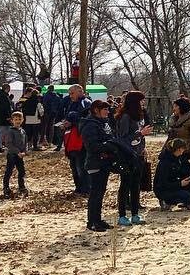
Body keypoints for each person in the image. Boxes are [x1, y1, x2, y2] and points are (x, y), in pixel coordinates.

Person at [80, 99, 148, 231]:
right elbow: (92, 146)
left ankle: (98, 219)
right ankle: (92, 222)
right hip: (95, 163)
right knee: (95, 193)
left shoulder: (104, 123)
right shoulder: (90, 125)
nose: (107, 112)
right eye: (104, 109)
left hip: (105, 163)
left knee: (101, 192)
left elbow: (113, 139)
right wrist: (110, 146)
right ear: (96, 110)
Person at [115, 91, 152, 226]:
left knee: (136, 185)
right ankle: (122, 215)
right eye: (141, 101)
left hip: (138, 155)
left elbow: (137, 137)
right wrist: (140, 133)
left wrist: (142, 145)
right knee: (125, 184)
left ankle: (135, 214)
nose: (143, 103)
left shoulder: (138, 117)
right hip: (127, 155)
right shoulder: (125, 117)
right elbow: (122, 138)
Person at [154, 138, 190, 210]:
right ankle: (166, 201)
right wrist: (180, 184)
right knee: (187, 196)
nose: (184, 151)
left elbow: (182, 171)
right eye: (183, 149)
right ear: (179, 149)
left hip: (174, 184)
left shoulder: (178, 157)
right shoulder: (165, 162)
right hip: (164, 190)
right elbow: (163, 183)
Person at [166, 97, 190, 166]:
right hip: (173, 152)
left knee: (185, 174)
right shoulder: (174, 120)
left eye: (176, 106)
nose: (174, 109)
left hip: (186, 153)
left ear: (181, 107)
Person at [2, 111, 29, 199]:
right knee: (9, 171)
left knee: (21, 171)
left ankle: (21, 187)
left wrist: (24, 151)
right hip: (12, 154)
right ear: (12, 121)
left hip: (20, 155)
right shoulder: (10, 131)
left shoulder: (23, 131)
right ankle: (6, 187)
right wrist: (17, 152)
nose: (18, 121)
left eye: (19, 119)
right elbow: (9, 144)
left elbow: (25, 143)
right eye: (16, 119)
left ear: (22, 120)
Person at [56, 85, 90, 152]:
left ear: (80, 92)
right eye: (69, 94)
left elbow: (86, 120)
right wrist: (65, 122)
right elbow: (69, 115)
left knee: (79, 159)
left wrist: (71, 123)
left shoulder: (85, 102)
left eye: (72, 93)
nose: (70, 96)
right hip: (71, 138)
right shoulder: (72, 102)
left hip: (80, 140)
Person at [62, 110, 89, 195]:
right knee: (75, 171)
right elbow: (66, 141)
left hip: (79, 153)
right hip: (71, 153)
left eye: (68, 120)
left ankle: (85, 189)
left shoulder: (78, 128)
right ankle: (78, 188)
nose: (66, 122)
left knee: (81, 171)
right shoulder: (67, 130)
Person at [20, 86, 43, 151]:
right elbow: (41, 112)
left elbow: (22, 109)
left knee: (28, 134)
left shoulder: (26, 101)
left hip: (27, 120)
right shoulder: (38, 102)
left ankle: (27, 146)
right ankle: (35, 146)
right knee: (35, 134)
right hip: (36, 120)